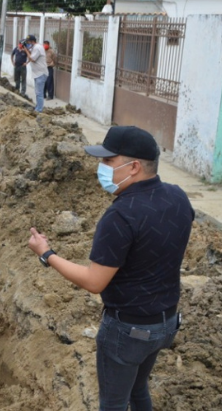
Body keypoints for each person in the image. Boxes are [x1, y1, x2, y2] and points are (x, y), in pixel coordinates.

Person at [27, 126, 194, 411]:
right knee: (138, 389)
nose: (101, 168)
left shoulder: (121, 215)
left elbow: (95, 282)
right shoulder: (178, 197)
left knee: (113, 404)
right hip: (164, 324)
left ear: (135, 167)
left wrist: (47, 254)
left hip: (128, 331)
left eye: (108, 161)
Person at [24, 35, 48, 113]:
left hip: (41, 74)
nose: (27, 43)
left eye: (28, 42)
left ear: (32, 41)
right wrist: (28, 50)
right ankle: (38, 107)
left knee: (39, 93)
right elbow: (32, 56)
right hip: (38, 74)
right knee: (38, 92)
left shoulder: (37, 47)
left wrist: (26, 51)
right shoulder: (35, 47)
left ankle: (39, 110)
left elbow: (32, 59)